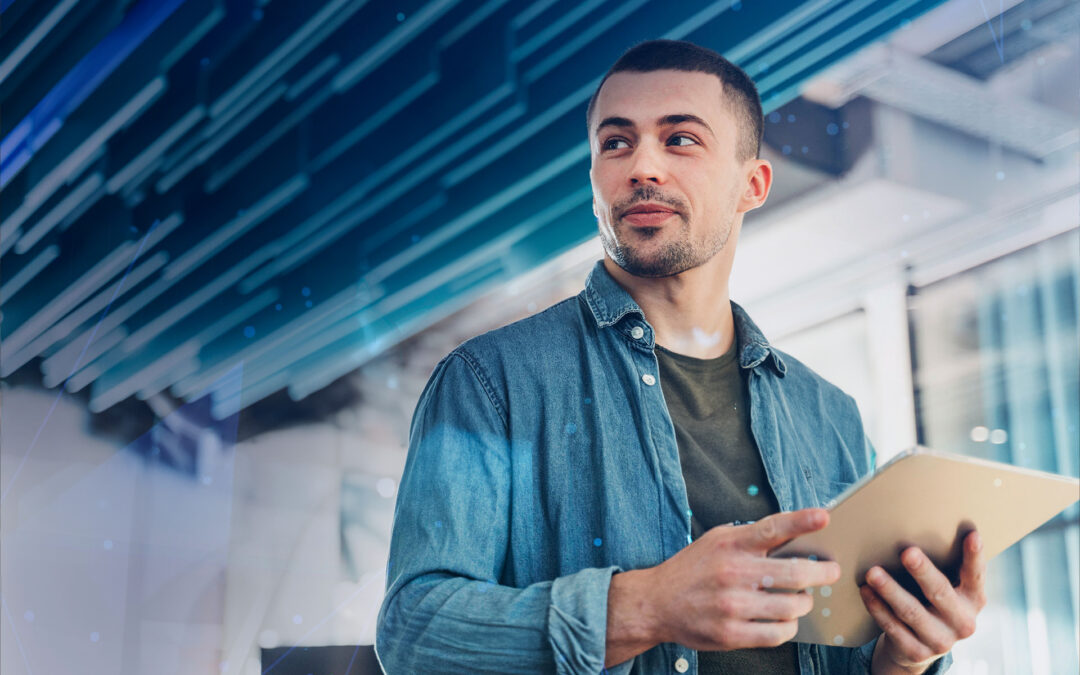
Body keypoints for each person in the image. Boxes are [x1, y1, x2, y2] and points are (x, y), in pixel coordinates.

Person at [375, 39, 986, 674]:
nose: (642, 166)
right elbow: (414, 634)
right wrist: (644, 607)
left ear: (752, 184)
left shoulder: (830, 413)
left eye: (680, 139)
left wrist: (908, 655)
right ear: (594, 183)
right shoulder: (487, 382)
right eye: (616, 143)